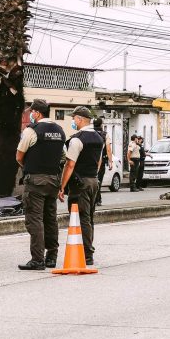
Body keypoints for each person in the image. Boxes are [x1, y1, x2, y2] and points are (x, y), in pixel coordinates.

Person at [16, 99, 66, 270]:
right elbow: (63, 157)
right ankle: (52, 256)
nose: (30, 114)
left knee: (35, 220)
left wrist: (30, 167)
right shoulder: (60, 131)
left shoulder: (32, 130)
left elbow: (19, 156)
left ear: (37, 113)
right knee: (50, 219)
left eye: (32, 112)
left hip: (35, 181)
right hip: (53, 181)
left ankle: (37, 259)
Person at [58, 106, 104, 266]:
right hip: (93, 180)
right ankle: (87, 249)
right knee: (89, 217)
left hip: (80, 183)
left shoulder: (77, 139)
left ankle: (86, 253)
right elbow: (99, 162)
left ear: (79, 119)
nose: (72, 121)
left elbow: (69, 165)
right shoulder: (99, 138)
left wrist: (62, 186)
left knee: (81, 217)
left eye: (73, 118)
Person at [93, 117, 114, 206]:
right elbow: (108, 149)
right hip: (101, 161)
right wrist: (110, 161)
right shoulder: (105, 135)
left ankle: (96, 198)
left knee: (92, 180)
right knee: (99, 180)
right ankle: (97, 199)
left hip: (90, 160)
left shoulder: (90, 133)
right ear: (101, 125)